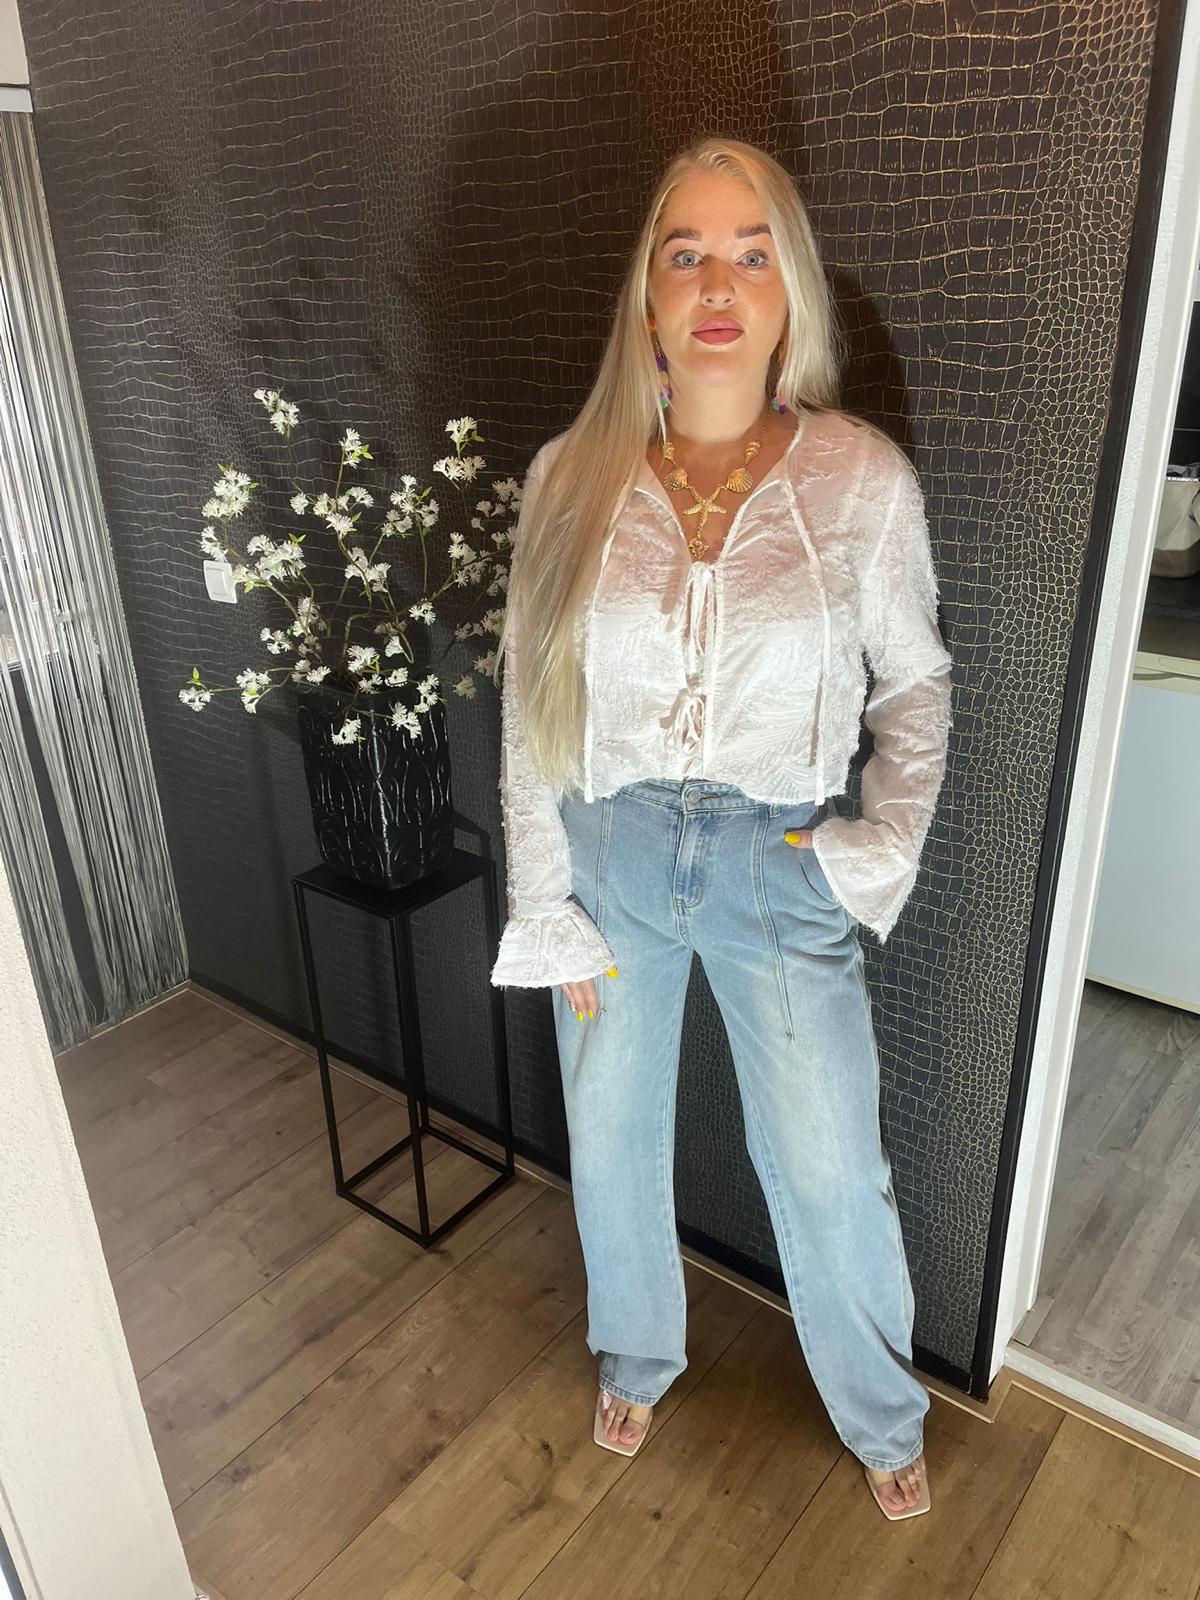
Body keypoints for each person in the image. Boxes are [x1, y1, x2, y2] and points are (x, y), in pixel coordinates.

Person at [489, 137, 952, 1521]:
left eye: (752, 253)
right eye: (684, 252)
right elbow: (528, 706)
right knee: (610, 1131)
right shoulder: (568, 475)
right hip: (609, 854)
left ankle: (882, 1414)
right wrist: (546, 904)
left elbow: (916, 688)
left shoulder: (859, 479)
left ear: (789, 289)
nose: (717, 284)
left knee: (832, 1164)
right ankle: (635, 1351)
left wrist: (875, 849)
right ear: (646, 293)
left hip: (777, 861)